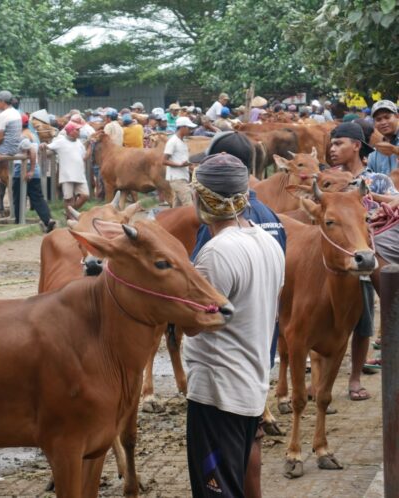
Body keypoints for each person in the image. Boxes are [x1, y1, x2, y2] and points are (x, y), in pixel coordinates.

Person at [190, 132, 287, 498]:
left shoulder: (214, 254)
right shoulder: (268, 241)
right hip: (251, 384)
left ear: (202, 198)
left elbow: (194, 324)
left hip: (218, 394)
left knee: (217, 490)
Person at [329, 122, 397, 396]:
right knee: (328, 318)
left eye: (339, 143)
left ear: (356, 146)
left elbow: (395, 201)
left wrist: (370, 194)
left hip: (366, 252)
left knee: (364, 318)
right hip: (336, 256)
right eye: (332, 145)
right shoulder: (328, 178)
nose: (333, 149)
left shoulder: (377, 179)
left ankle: (355, 378)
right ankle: (324, 379)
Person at [12, 114, 56, 231]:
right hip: (34, 169)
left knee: (18, 197)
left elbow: (31, 151)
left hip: (22, 169)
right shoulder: (34, 135)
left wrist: (30, 170)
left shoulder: (22, 136)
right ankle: (48, 219)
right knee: (37, 197)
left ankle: (18, 222)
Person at [41, 121, 89, 212]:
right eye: (77, 130)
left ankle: (70, 213)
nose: (79, 131)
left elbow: (84, 157)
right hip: (67, 176)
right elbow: (48, 147)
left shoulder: (79, 143)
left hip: (80, 175)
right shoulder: (60, 142)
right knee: (68, 199)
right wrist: (43, 145)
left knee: (85, 196)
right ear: (70, 131)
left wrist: (90, 145)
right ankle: (70, 218)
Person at [164, 116, 197, 207]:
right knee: (189, 206)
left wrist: (189, 166)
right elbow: (164, 161)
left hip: (182, 177)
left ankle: (170, 221)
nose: (190, 130)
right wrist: (180, 165)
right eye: (189, 128)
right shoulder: (173, 141)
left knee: (177, 208)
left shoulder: (182, 142)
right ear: (182, 127)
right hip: (177, 179)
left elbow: (182, 160)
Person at [367, 100, 398, 175]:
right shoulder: (373, 154)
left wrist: (395, 150)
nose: (383, 122)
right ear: (374, 123)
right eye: (378, 119)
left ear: (397, 116)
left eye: (387, 117)